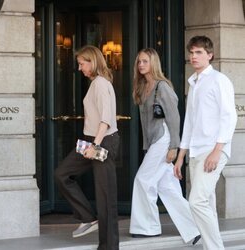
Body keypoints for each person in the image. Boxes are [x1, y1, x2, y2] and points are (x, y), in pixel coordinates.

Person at [129, 48, 200, 245]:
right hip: (154, 141)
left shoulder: (163, 87)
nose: (141, 65)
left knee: (142, 180)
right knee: (167, 187)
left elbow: (174, 117)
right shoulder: (144, 86)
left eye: (145, 61)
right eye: (139, 62)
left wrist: (174, 147)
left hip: (164, 140)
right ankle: (195, 227)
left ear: (153, 63)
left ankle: (147, 227)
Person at [174, 36, 237, 250]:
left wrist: (217, 151)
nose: (194, 56)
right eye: (191, 52)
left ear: (210, 55)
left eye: (199, 52)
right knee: (207, 204)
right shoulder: (194, 83)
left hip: (213, 151)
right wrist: (181, 156)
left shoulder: (219, 80)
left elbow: (229, 117)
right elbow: (190, 123)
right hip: (195, 152)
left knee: (197, 202)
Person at [55, 45, 120, 250]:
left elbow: (106, 119)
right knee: (62, 174)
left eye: (82, 64)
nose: (80, 68)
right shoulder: (95, 84)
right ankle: (88, 217)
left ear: (92, 61)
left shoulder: (101, 84)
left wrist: (95, 145)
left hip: (102, 141)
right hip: (91, 140)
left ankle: (109, 247)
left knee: (105, 196)